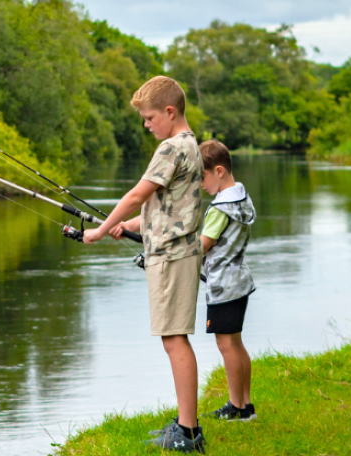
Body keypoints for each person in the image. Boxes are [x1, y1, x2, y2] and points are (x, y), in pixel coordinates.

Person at [82, 76, 205, 453]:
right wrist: (131, 226)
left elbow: (138, 194)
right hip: (175, 251)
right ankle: (186, 426)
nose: (146, 124)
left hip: (172, 256)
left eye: (150, 117)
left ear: (170, 112)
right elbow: (170, 205)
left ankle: (187, 432)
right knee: (173, 337)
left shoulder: (171, 148)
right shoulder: (190, 144)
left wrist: (100, 230)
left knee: (174, 339)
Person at [196, 139, 258, 422]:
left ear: (218, 171)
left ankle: (236, 407)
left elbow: (202, 245)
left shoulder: (220, 208)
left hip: (223, 286)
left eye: (202, 177)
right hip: (239, 281)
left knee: (226, 344)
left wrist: (170, 252)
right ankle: (245, 405)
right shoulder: (241, 197)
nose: (200, 184)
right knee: (236, 343)